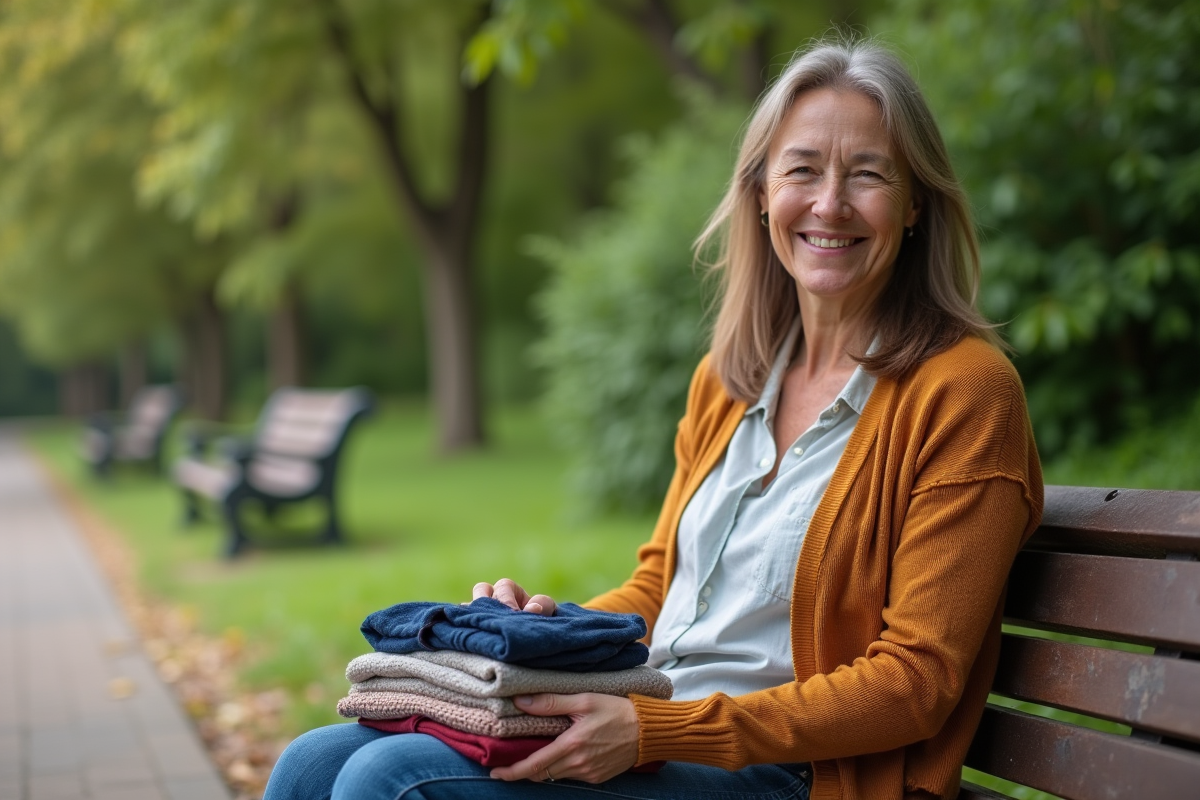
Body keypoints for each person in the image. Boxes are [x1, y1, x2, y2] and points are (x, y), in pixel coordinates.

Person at [264, 36, 1042, 800]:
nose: (829, 203)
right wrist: (546, 632)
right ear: (763, 194)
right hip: (652, 733)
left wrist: (656, 732)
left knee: (387, 779)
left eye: (868, 175)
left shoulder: (963, 391)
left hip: (797, 774)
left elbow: (916, 683)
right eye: (802, 170)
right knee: (310, 763)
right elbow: (660, 587)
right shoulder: (730, 382)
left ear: (914, 205)